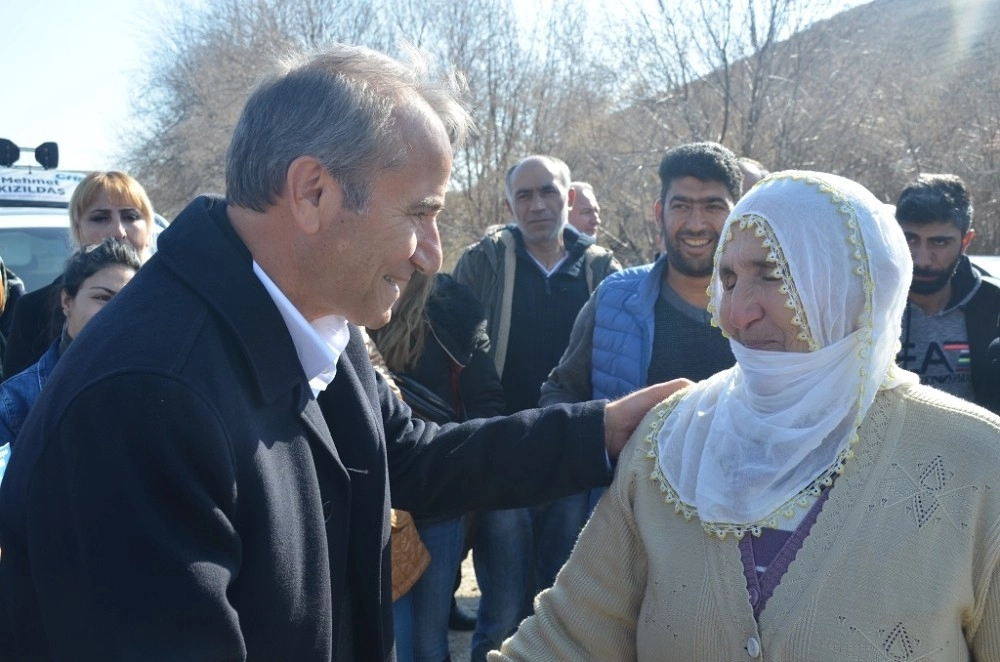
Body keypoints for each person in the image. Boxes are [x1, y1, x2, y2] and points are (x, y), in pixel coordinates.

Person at [0, 44, 681, 661]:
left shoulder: (317, 321)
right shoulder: (143, 401)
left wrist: (601, 431)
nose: (431, 254)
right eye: (419, 213)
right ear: (313, 192)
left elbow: (407, 454)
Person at [489, 171, 1000, 661]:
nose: (736, 315)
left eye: (773, 273)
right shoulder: (670, 441)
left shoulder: (976, 463)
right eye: (728, 278)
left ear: (855, 282)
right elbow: (569, 637)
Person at [452, 154, 621, 661]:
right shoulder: (483, 262)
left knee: (559, 605)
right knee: (501, 608)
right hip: (504, 457)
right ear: (509, 205)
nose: (537, 204)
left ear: (569, 198)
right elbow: (452, 350)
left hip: (571, 459)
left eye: (547, 192)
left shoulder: (601, 271)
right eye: (524, 195)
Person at [541, 142, 741, 513]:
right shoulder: (613, 299)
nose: (696, 224)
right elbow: (561, 391)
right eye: (682, 206)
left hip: (741, 526)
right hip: (629, 527)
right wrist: (598, 447)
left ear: (738, 214)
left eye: (713, 207)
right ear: (659, 213)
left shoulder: (768, 308)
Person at [370, 270, 505, 661]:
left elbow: (485, 396)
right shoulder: (356, 294)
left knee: (429, 641)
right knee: (388, 637)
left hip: (435, 497)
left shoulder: (451, 306)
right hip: (379, 502)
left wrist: (461, 465)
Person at [0, 239, 141, 481]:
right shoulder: (16, 403)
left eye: (128, 301)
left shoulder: (153, 392)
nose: (116, 311)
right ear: (67, 301)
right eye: (102, 298)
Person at [2, 171, 155, 377]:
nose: (119, 231)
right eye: (100, 218)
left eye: (131, 216)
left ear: (148, 228)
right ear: (77, 229)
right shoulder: (33, 310)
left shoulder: (179, 303)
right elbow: (17, 404)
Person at [893, 173, 1000, 414]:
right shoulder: (865, 306)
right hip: (880, 450)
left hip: (977, 448)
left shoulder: (994, 307)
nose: (922, 260)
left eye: (939, 242)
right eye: (910, 239)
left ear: (965, 241)